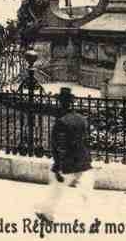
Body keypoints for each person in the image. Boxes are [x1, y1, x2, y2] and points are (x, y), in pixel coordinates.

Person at [36, 88, 94, 224]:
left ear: (61, 103)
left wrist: (58, 166)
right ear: (71, 103)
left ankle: (47, 213)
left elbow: (59, 146)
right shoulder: (82, 119)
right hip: (83, 161)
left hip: (68, 163)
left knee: (57, 188)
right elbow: (87, 140)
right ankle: (92, 218)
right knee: (85, 191)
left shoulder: (61, 122)